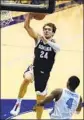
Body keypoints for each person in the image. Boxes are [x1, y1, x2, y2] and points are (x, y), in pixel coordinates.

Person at [10, 12, 60, 119]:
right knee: (27, 79)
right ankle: (18, 103)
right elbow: (26, 27)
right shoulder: (38, 39)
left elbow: (58, 48)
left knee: (40, 101)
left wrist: (47, 41)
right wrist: (29, 16)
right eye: (45, 29)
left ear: (53, 33)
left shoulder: (55, 45)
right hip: (34, 68)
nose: (46, 31)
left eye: (49, 30)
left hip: (44, 74)